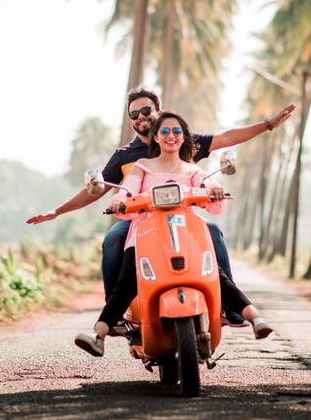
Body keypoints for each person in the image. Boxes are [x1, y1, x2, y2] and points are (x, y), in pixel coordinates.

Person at [26, 87, 295, 320]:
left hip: (183, 218)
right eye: (134, 114)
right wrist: (57, 211)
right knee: (111, 240)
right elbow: (97, 190)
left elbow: (227, 137)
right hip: (141, 223)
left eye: (146, 111)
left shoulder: (180, 140)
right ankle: (114, 312)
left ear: (158, 110)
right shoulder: (125, 156)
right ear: (130, 121)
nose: (141, 117)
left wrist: (267, 125)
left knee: (213, 232)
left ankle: (229, 305)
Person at [74, 112, 273, 357]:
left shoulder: (191, 169)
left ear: (183, 137)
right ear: (156, 137)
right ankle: (99, 334)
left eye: (177, 131)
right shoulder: (142, 167)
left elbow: (205, 184)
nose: (171, 136)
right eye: (165, 131)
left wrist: (215, 189)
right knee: (128, 281)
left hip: (186, 232)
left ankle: (255, 319)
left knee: (214, 274)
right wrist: (120, 201)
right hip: (146, 233)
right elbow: (128, 190)